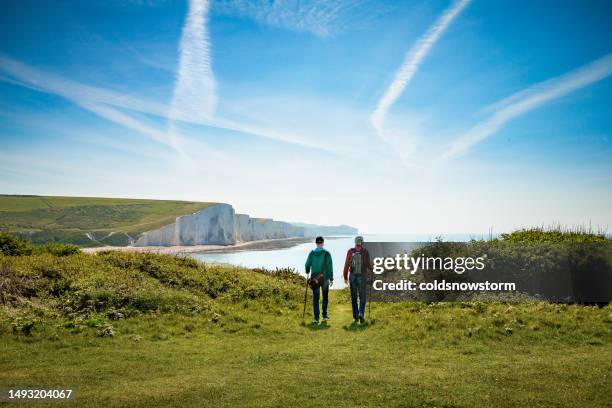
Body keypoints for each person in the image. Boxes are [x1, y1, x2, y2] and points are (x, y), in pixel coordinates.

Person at [343, 236, 372, 323]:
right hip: (362, 276)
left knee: (354, 297)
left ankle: (355, 317)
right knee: (362, 296)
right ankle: (361, 313)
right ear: (362, 242)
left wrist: (345, 276)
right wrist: (373, 271)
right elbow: (368, 265)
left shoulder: (350, 251)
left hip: (352, 276)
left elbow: (346, 264)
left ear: (355, 242)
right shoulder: (365, 251)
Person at [305, 236, 333, 323]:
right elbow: (330, 267)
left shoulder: (312, 254)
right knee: (325, 297)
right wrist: (331, 278)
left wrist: (307, 271)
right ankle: (324, 316)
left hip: (314, 279)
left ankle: (316, 318)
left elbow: (307, 264)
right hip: (324, 278)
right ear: (323, 243)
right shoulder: (327, 253)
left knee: (316, 298)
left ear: (316, 243)